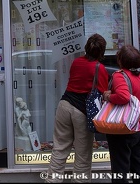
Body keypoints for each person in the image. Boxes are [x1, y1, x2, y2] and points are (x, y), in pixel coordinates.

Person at [46, 33, 109, 183]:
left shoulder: (76, 62)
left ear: (86, 47)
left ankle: (51, 180)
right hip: (82, 112)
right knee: (83, 155)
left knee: (59, 149)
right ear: (102, 51)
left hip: (64, 105)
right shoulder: (100, 68)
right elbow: (103, 92)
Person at [102, 45, 140, 183]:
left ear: (120, 61)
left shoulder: (119, 76)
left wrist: (108, 97)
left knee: (120, 170)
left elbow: (123, 97)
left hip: (124, 127)